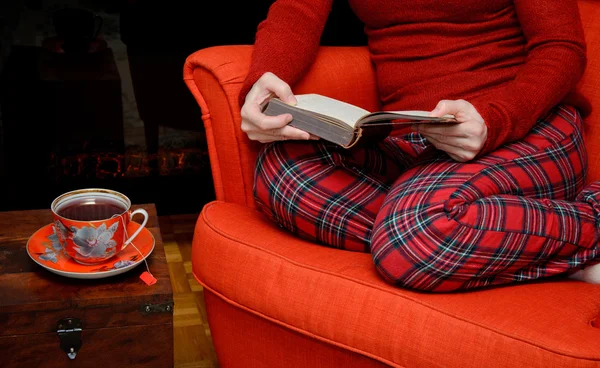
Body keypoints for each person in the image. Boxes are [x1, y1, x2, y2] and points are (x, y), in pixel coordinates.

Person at [238, 0, 600, 292]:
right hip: (417, 135)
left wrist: (495, 120)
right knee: (282, 173)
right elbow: (298, 10)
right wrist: (265, 82)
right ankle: (446, 234)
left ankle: (590, 221)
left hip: (523, 125)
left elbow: (560, 47)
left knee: (412, 240)